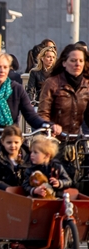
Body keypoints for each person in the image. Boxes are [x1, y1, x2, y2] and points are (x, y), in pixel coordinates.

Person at [0, 52, 56, 221]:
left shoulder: (17, 89)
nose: (1, 70)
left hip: (13, 142)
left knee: (32, 161)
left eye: (5, 67)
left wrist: (47, 125)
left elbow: (31, 116)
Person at [37, 44, 89, 183]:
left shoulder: (87, 85)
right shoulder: (52, 83)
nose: (77, 64)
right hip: (56, 141)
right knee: (55, 179)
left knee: (81, 180)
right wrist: (50, 126)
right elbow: (43, 112)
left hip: (79, 140)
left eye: (80, 61)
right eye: (73, 60)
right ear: (64, 62)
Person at [0, 125, 27, 191]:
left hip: (24, 193)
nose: (13, 145)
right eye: (9, 142)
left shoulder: (28, 158)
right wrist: (6, 188)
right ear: (2, 142)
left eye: (16, 142)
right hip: (4, 194)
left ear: (21, 142)